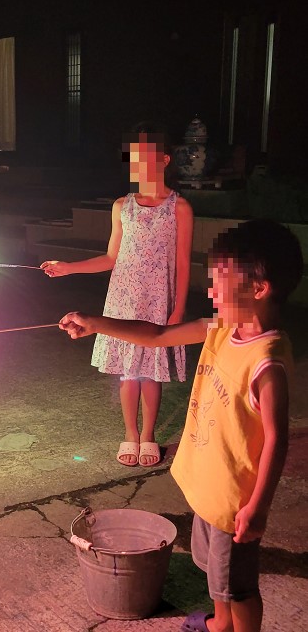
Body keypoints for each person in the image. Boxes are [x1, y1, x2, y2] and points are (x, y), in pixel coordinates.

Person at [59, 219, 304, 632]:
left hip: (233, 501)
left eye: (221, 282)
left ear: (258, 289)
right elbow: (156, 336)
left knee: (239, 588)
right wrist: (98, 322)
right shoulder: (222, 329)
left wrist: (257, 507)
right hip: (206, 486)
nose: (211, 292)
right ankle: (219, 623)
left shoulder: (267, 361)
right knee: (216, 577)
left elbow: (278, 440)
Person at [41, 122, 193, 467]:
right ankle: (130, 434)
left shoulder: (179, 208)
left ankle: (149, 435)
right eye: (134, 160)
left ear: (165, 159)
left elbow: (183, 264)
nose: (140, 166)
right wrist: (69, 267)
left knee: (151, 372)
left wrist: (178, 309)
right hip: (123, 300)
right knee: (128, 372)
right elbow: (111, 258)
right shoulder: (122, 206)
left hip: (158, 302)